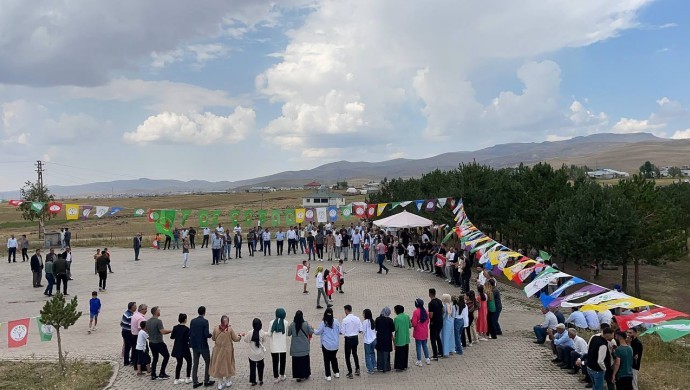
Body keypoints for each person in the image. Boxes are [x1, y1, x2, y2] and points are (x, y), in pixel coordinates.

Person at [210, 315, 242, 389]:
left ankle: (220, 383)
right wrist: (240, 335)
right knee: (228, 364)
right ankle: (228, 381)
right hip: (227, 350)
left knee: (218, 365)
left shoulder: (216, 328)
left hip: (218, 350)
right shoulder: (229, 329)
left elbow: (213, 338)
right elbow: (235, 339)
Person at [190, 306, 214, 388]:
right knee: (208, 362)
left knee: (195, 363)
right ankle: (206, 380)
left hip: (194, 345)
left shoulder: (193, 321)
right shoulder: (205, 321)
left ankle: (195, 382)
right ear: (204, 312)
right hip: (203, 345)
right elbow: (206, 334)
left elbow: (191, 332)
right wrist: (211, 335)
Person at [314, 307, 341, 381]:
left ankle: (328, 375)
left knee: (326, 360)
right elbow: (340, 331)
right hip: (335, 344)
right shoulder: (336, 321)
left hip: (326, 345)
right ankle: (336, 372)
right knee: (334, 358)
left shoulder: (323, 323)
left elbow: (318, 332)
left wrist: (312, 329)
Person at [288, 310, 314, 382]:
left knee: (296, 363)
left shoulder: (292, 324)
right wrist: (311, 327)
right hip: (304, 347)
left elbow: (289, 333)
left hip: (295, 348)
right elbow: (311, 332)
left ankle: (298, 376)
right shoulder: (305, 324)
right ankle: (305, 374)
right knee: (305, 362)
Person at [148, 306, 172, 380]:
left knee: (155, 358)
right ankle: (162, 372)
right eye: (159, 310)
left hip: (151, 342)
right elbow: (162, 331)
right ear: (155, 312)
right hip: (158, 342)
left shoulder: (148, 321)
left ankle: (153, 374)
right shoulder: (158, 321)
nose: (159, 312)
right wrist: (171, 331)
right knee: (166, 356)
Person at [171, 313, 192, 385]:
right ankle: (188, 378)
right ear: (185, 320)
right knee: (189, 361)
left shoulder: (175, 327)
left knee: (179, 363)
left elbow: (172, 337)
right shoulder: (187, 329)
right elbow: (188, 339)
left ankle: (176, 379)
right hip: (185, 348)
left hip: (177, 347)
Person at [341, 305, 361, 378]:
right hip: (355, 338)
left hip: (348, 339)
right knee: (355, 353)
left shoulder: (345, 320)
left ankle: (350, 372)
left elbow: (342, 331)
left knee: (347, 356)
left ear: (346, 310)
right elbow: (360, 329)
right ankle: (357, 368)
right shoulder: (357, 318)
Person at [244, 318, 267, 386]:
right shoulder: (262, 332)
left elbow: (246, 340)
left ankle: (253, 381)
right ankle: (261, 379)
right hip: (260, 354)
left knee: (252, 367)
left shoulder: (250, 332)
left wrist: (244, 335)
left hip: (252, 354)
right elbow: (264, 340)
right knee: (260, 367)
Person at [268, 308, 288, 383]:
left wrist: (264, 333)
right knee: (283, 361)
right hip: (282, 345)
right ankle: (282, 375)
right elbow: (286, 333)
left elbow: (270, 334)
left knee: (275, 361)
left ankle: (276, 377)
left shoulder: (271, 322)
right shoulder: (285, 322)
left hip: (274, 346)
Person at [374, 306, 394, 373]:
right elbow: (393, 329)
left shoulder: (378, 319)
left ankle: (379, 366)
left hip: (379, 338)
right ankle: (386, 367)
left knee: (379, 352)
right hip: (387, 339)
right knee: (386, 353)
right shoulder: (390, 320)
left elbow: (375, 328)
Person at [411, 298, 431, 366]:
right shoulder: (426, 311)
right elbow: (428, 321)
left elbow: (414, 324)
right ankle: (427, 358)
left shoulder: (415, 312)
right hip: (425, 331)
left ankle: (419, 360)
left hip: (418, 332)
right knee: (425, 345)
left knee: (418, 346)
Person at [393, 305, 411, 371]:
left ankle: (399, 367)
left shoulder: (397, 318)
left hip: (400, 338)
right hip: (406, 338)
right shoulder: (407, 316)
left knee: (399, 353)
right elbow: (410, 325)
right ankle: (404, 365)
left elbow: (395, 328)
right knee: (405, 352)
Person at [131, 304, 148, 371]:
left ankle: (136, 365)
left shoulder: (135, 314)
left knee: (135, 352)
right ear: (141, 309)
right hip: (138, 337)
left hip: (133, 335)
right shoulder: (141, 318)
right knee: (143, 352)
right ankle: (142, 366)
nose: (146, 311)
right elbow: (140, 328)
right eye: (145, 309)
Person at [428, 288, 444, 360]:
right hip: (440, 321)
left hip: (434, 322)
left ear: (430, 294)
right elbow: (442, 310)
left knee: (433, 338)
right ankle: (441, 352)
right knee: (438, 336)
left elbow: (431, 315)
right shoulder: (439, 301)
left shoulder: (431, 303)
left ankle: (435, 355)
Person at [362, 309, 377, 374]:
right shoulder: (372, 321)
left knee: (367, 355)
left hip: (367, 341)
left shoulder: (365, 322)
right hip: (374, 339)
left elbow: (363, 331)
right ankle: (374, 365)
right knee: (372, 352)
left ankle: (370, 369)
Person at [121, 302, 136, 367]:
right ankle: (133, 360)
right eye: (135, 306)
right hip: (128, 333)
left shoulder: (125, 313)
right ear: (132, 307)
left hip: (124, 331)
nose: (136, 307)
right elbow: (132, 326)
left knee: (127, 347)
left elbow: (121, 323)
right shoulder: (131, 316)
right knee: (133, 346)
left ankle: (126, 361)